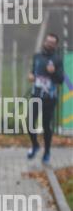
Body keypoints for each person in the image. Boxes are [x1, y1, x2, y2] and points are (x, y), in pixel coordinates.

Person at [27, 33, 65, 165]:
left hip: (49, 97)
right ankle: (35, 145)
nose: (49, 44)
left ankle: (47, 152)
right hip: (36, 95)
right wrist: (31, 76)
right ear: (44, 42)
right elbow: (33, 72)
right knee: (29, 122)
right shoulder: (37, 56)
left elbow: (61, 79)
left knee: (46, 125)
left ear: (55, 45)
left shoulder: (57, 59)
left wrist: (53, 72)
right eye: (48, 41)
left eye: (52, 43)